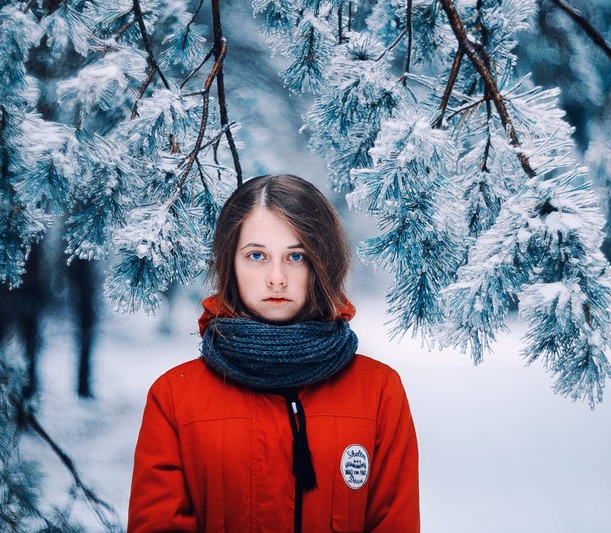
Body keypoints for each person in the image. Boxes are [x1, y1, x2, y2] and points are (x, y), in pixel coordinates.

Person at [128, 174, 420, 532]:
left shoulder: (378, 392)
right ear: (229, 263)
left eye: (296, 256)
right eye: (256, 256)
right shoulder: (175, 398)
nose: (276, 278)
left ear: (322, 263)